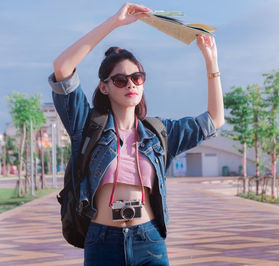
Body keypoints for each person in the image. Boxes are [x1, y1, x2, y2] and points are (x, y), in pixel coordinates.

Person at [48, 3, 224, 266]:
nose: (130, 83)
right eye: (120, 80)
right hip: (102, 240)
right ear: (104, 87)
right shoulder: (87, 125)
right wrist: (114, 22)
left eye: (137, 77)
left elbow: (214, 119)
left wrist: (211, 62)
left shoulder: (159, 133)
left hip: (148, 240)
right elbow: (62, 67)